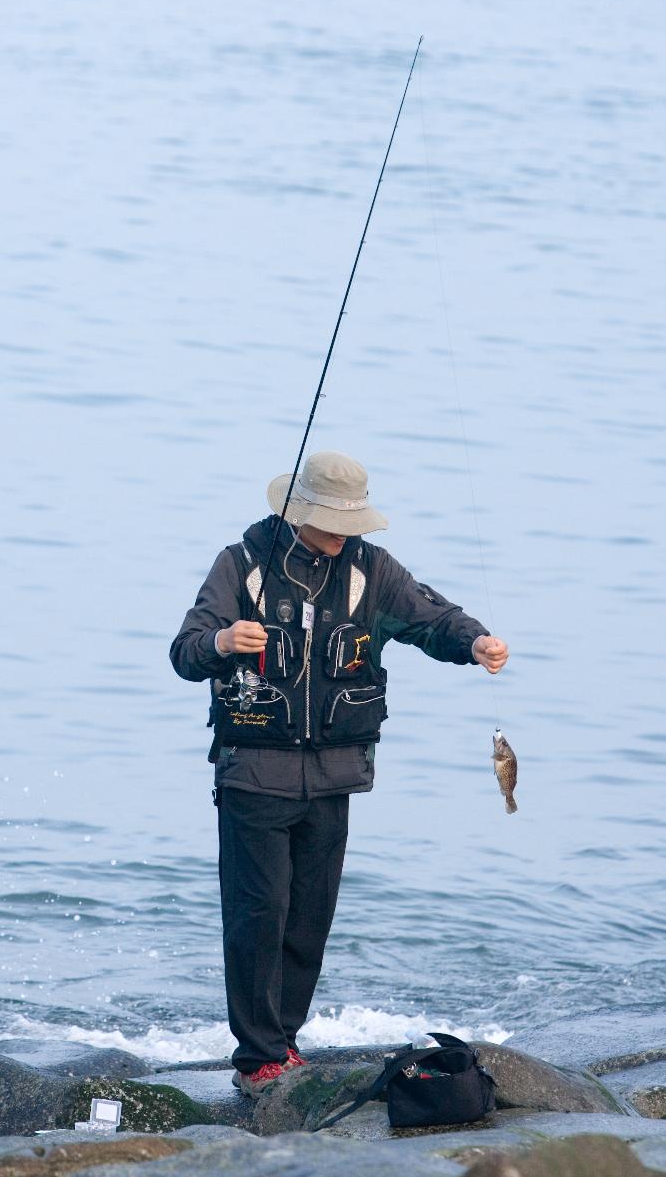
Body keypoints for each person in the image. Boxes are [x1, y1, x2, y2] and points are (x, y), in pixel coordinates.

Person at [170, 451, 508, 1093]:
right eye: (328, 522)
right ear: (296, 514)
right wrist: (221, 643)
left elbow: (431, 620)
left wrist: (475, 643)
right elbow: (185, 653)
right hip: (254, 773)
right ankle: (258, 1054)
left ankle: (285, 1041)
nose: (340, 534)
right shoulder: (239, 565)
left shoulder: (371, 569)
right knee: (257, 912)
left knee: (308, 916)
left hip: (334, 775)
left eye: (348, 522)